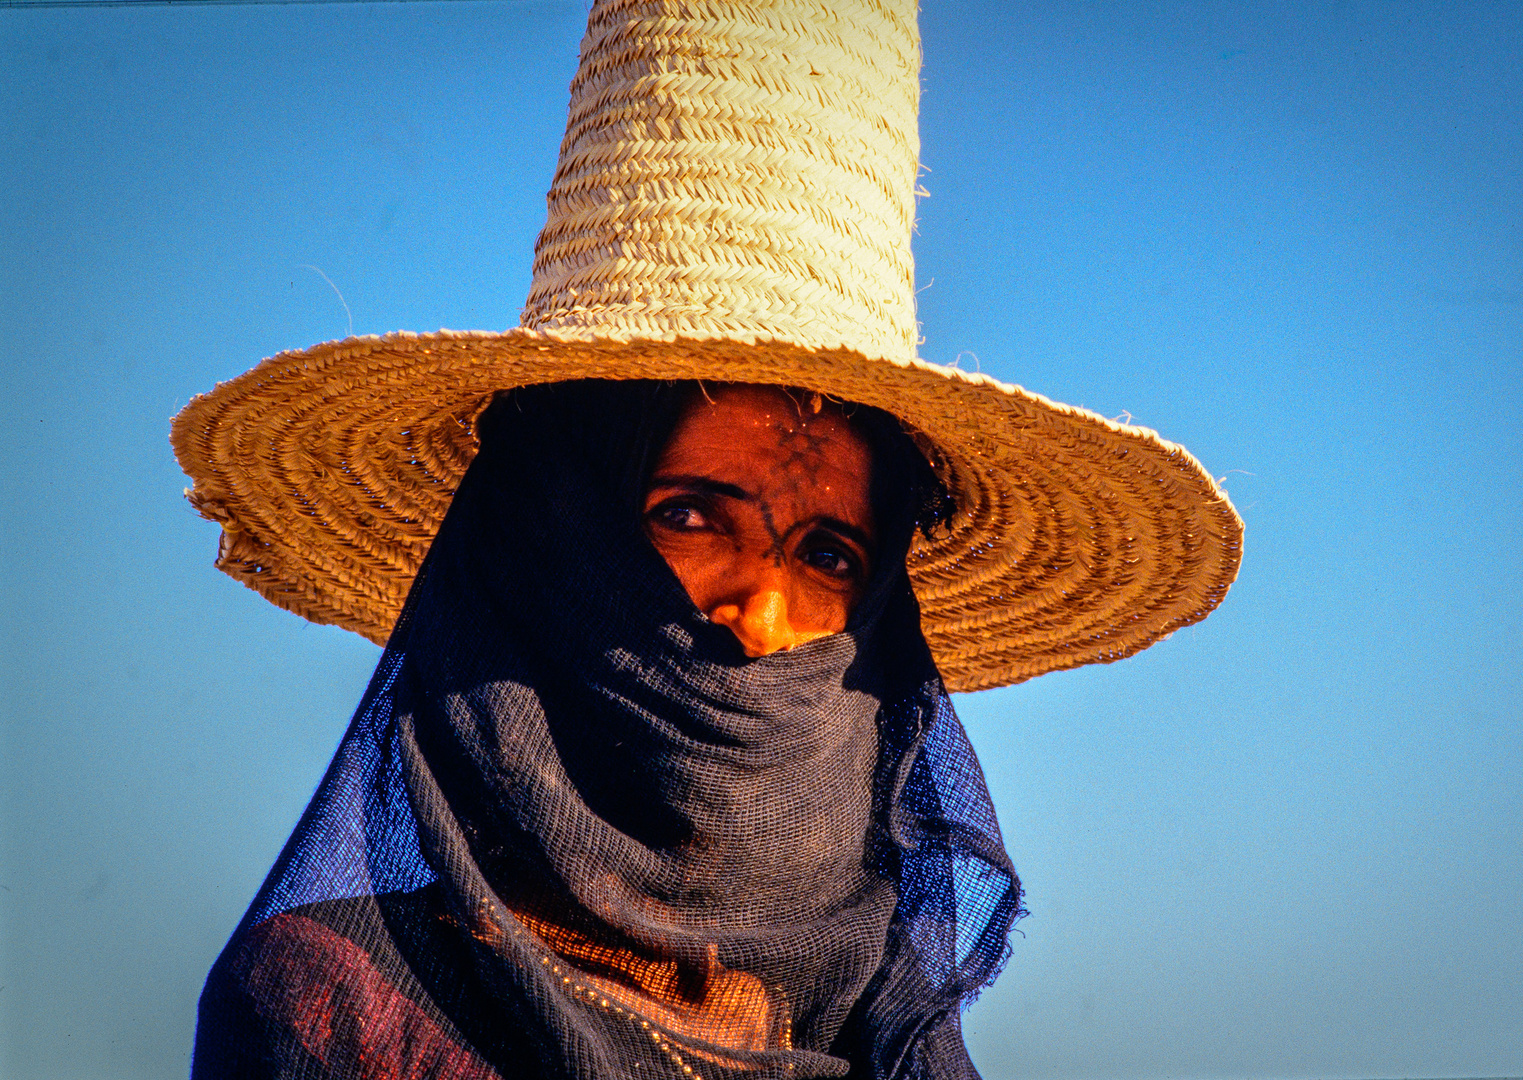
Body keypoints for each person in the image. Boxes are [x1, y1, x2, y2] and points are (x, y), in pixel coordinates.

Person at [171, 4, 1241, 1079]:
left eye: (830, 557)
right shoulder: (339, 1004)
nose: (760, 615)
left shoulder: (870, 1045)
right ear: (556, 544)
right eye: (688, 515)